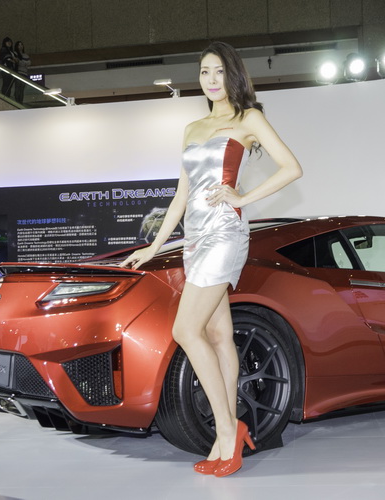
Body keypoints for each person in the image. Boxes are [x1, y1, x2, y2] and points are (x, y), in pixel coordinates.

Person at [120, 41, 302, 477]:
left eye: (219, 71)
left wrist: (242, 198)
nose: (211, 79)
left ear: (232, 74)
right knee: (219, 335)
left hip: (224, 233)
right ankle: (227, 434)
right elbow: (181, 195)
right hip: (194, 238)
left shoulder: (248, 119)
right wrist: (154, 245)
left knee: (185, 329)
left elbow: (291, 168)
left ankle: (228, 430)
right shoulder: (192, 127)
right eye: (204, 72)